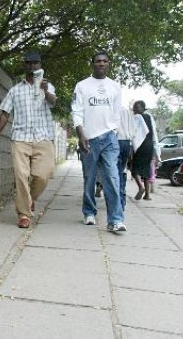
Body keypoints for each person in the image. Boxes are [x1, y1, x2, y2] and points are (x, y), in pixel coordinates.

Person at [0, 51, 57, 228]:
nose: (33, 66)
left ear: (40, 65)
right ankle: (24, 214)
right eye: (29, 63)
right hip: (20, 138)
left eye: (36, 63)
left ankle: (29, 199)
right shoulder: (15, 90)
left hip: (43, 137)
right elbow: (4, 114)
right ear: (25, 65)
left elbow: (53, 102)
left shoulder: (47, 86)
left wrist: (44, 89)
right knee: (20, 175)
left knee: (44, 174)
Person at [71, 51, 126, 231]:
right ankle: (89, 211)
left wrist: (114, 131)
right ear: (92, 64)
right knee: (89, 178)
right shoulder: (82, 86)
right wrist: (81, 135)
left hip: (110, 138)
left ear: (109, 64)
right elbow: (77, 112)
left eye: (104, 61)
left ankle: (116, 220)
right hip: (89, 138)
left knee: (112, 177)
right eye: (98, 61)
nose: (101, 64)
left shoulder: (115, 87)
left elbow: (117, 113)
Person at [132, 100, 160, 200]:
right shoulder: (149, 117)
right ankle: (147, 195)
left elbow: (133, 133)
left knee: (135, 169)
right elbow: (154, 135)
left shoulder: (136, 118)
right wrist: (156, 152)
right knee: (147, 170)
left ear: (142, 108)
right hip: (150, 147)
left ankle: (141, 187)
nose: (134, 109)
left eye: (136, 107)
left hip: (140, 146)